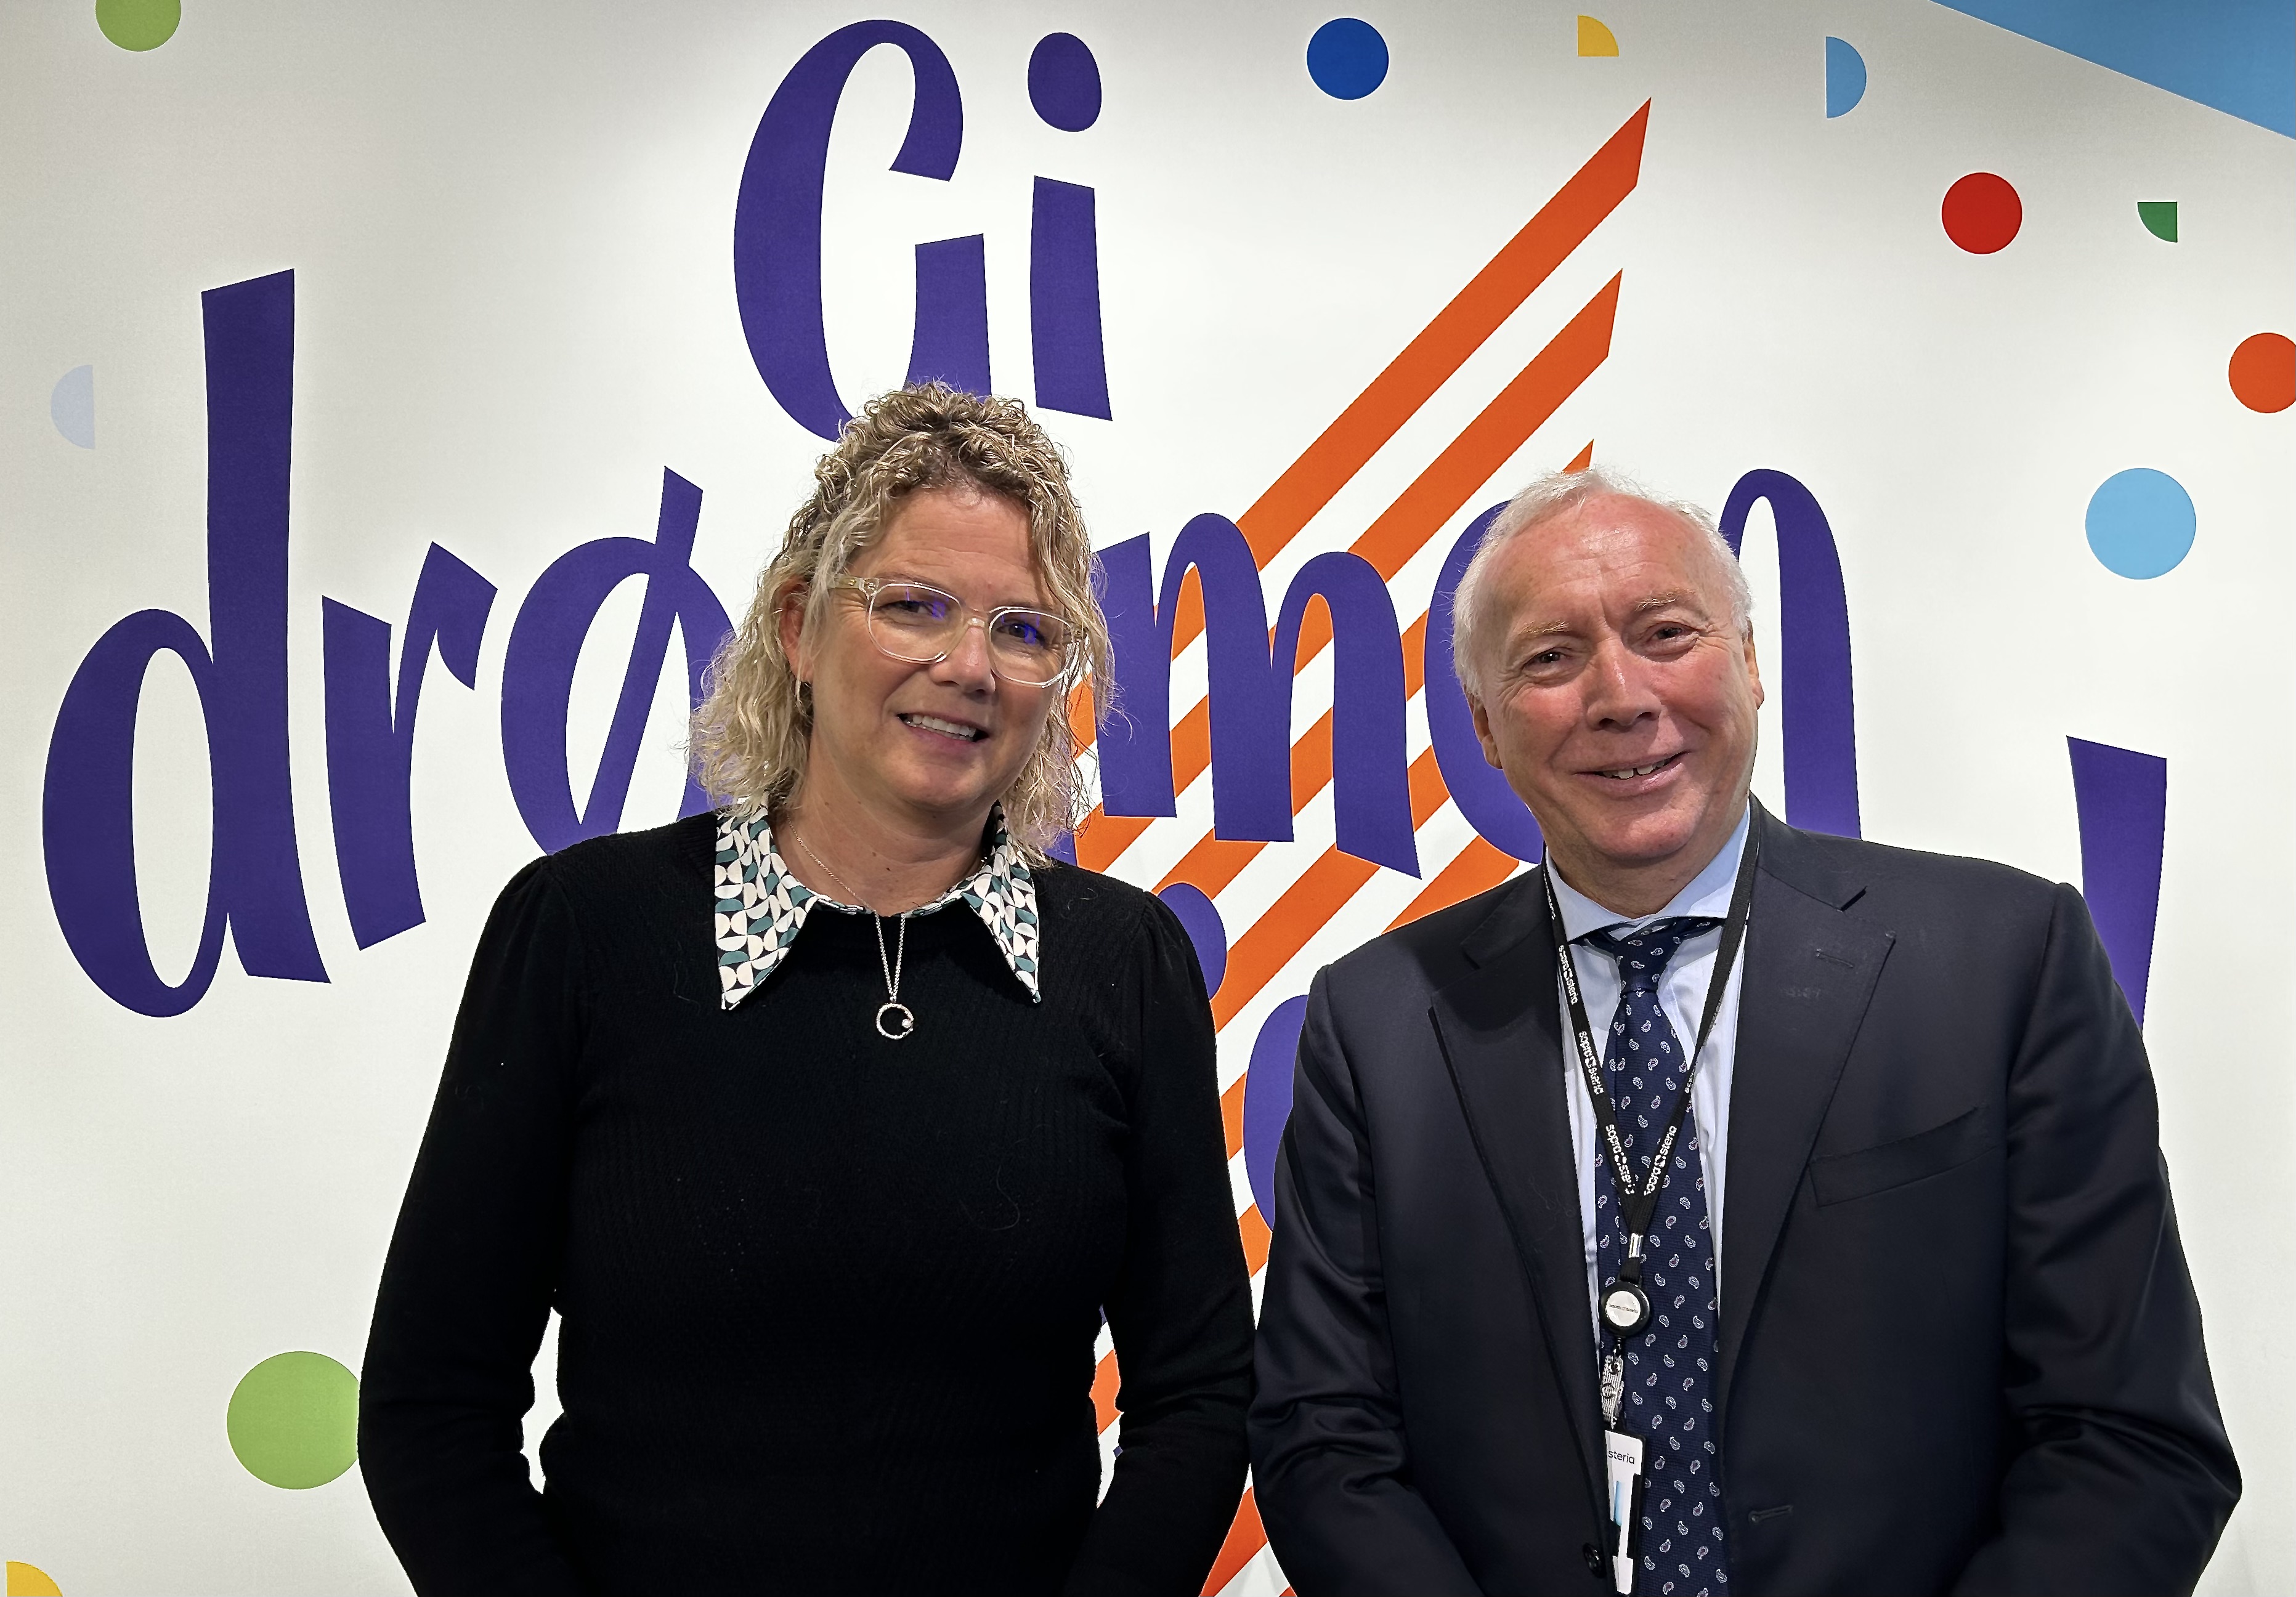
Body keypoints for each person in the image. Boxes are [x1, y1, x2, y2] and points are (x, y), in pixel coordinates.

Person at [1247, 467, 2237, 1596]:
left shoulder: (2006, 959)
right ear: (1484, 726)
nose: (1620, 695)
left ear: (1753, 662)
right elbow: (1323, 1440)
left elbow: (2131, 1438)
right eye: (1552, 658)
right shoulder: (1377, 1023)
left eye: (1666, 633)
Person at [360, 384, 1254, 1596]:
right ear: (797, 626)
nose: (967, 665)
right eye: (913, 605)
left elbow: (1198, 1394)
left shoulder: (1125, 962)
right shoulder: (582, 931)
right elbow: (431, 1406)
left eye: (1023, 630)